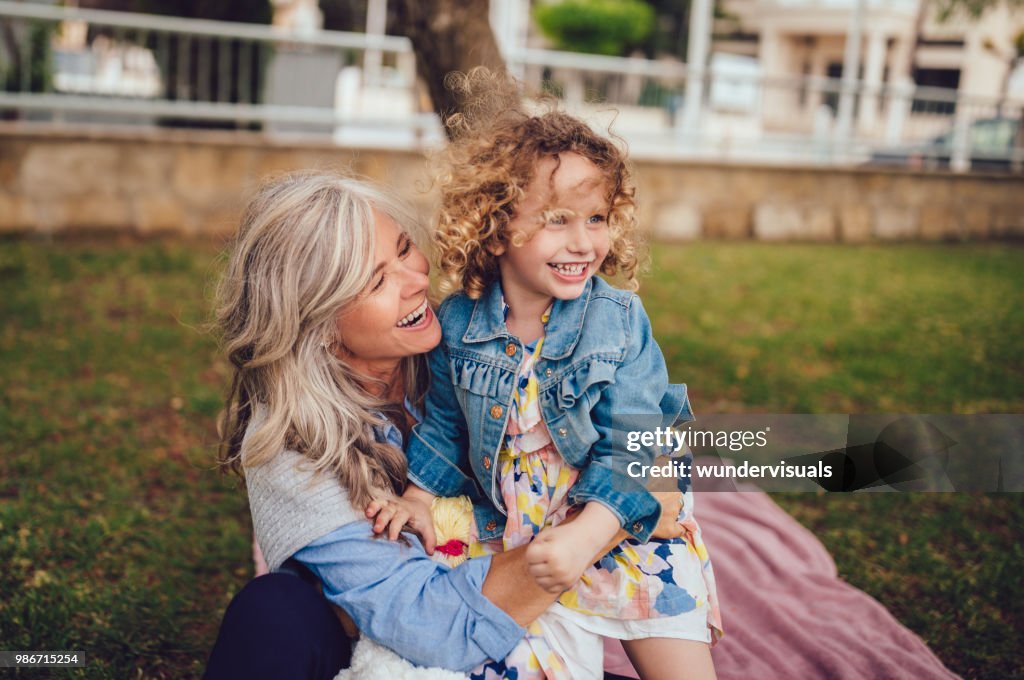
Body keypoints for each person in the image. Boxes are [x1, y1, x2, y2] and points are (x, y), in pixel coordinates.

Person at [204, 171, 683, 679]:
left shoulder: (470, 348)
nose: (416, 281)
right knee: (273, 611)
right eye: (377, 281)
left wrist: (624, 481)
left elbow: (641, 440)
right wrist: (605, 525)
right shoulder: (290, 447)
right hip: (409, 653)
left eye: (404, 249)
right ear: (317, 323)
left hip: (519, 633)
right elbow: (433, 626)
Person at [378, 75, 723, 680]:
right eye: (558, 220)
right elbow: (445, 426)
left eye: (597, 218)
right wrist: (418, 498)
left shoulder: (618, 322)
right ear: (497, 225)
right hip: (518, 537)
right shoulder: (458, 323)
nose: (583, 242)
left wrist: (588, 535)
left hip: (618, 521)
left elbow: (636, 445)